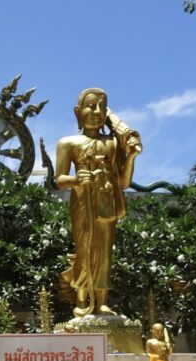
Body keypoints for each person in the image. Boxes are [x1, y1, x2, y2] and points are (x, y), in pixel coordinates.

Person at [55, 88, 142, 318]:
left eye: (102, 106)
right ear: (77, 112)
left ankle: (102, 301)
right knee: (84, 248)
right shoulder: (68, 143)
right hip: (82, 202)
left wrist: (131, 156)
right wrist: (76, 179)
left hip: (106, 202)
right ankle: (82, 299)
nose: (96, 111)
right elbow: (59, 179)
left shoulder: (113, 143)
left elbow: (122, 182)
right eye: (91, 105)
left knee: (105, 253)